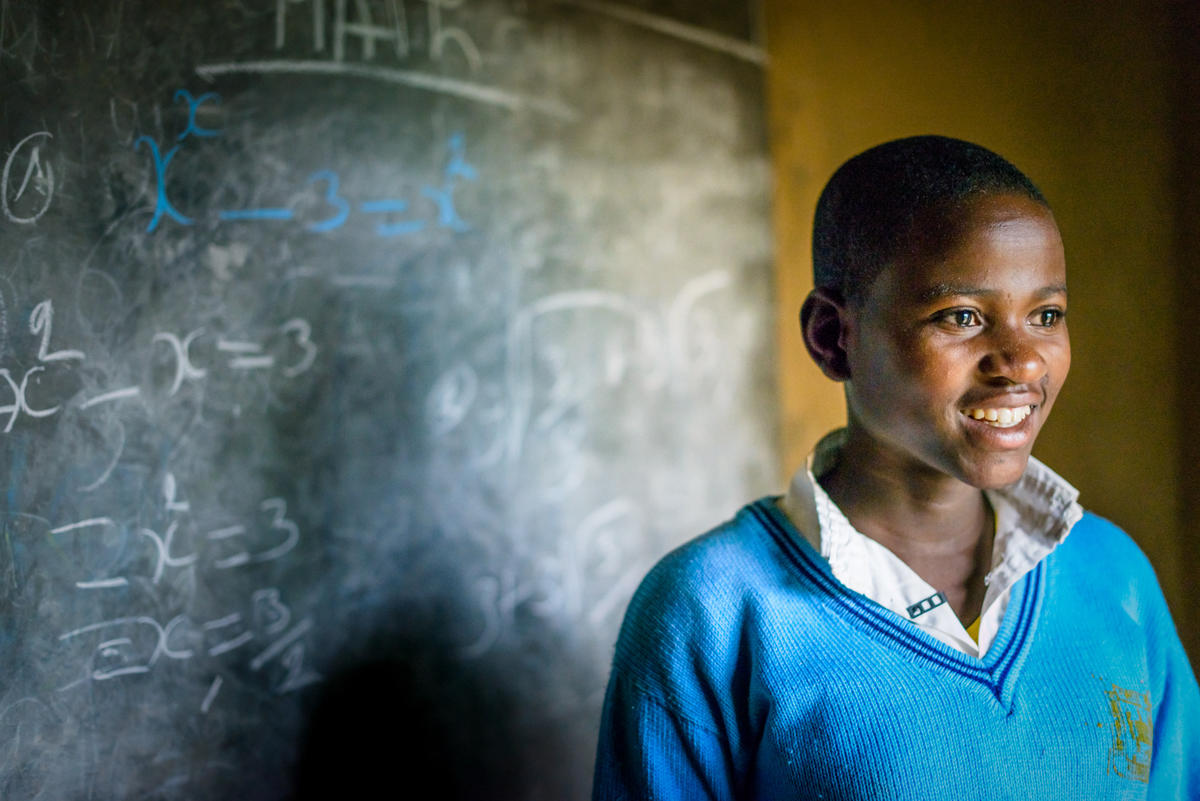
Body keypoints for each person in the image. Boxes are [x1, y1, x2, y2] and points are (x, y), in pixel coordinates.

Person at [591, 135, 1200, 799]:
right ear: (834, 337)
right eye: (963, 316)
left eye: (1046, 314)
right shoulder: (711, 609)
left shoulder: (1113, 574)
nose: (1024, 363)